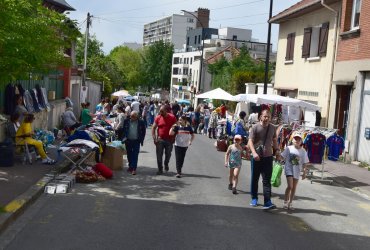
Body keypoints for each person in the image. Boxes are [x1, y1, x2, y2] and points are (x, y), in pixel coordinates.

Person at [248, 109, 280, 209]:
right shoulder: (255, 127)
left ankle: (267, 201)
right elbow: (250, 141)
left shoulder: (272, 128)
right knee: (255, 178)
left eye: (268, 117)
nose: (266, 118)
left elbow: (274, 140)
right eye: (265, 116)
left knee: (267, 180)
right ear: (261, 117)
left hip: (268, 157)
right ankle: (254, 198)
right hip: (257, 157)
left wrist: (277, 150)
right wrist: (253, 153)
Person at [281, 131, 309, 210]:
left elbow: (304, 163)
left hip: (297, 170)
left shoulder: (303, 151)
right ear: (292, 140)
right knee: (290, 186)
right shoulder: (288, 148)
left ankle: (290, 203)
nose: (297, 140)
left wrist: (304, 173)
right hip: (289, 169)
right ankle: (285, 202)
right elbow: (282, 157)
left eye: (299, 139)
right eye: (295, 139)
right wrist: (278, 160)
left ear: (301, 141)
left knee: (294, 187)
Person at [152, 106, 177, 175]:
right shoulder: (158, 117)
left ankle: (166, 163)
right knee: (159, 155)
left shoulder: (172, 117)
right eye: (160, 111)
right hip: (160, 140)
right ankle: (160, 169)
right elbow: (153, 128)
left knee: (168, 154)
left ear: (166, 111)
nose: (160, 112)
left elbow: (176, 127)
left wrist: (174, 137)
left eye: (162, 111)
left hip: (169, 140)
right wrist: (154, 138)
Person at [121, 111, 146, 175]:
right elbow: (123, 130)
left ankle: (134, 169)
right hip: (128, 140)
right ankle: (130, 166)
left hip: (136, 141)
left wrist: (141, 138)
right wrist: (123, 138)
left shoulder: (141, 122)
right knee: (129, 155)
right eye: (131, 116)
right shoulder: (126, 121)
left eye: (133, 116)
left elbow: (143, 131)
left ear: (136, 116)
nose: (131, 117)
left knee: (135, 155)